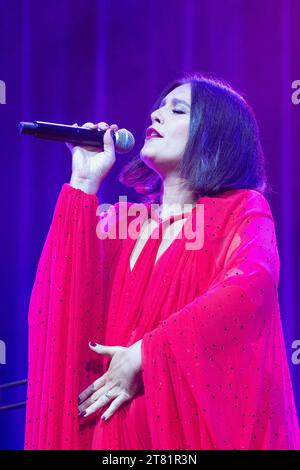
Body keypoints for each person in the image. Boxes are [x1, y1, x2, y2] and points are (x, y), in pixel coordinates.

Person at [25, 73, 300, 450]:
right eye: (159, 107)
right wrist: (83, 183)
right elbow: (62, 308)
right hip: (111, 437)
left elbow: (249, 288)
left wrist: (145, 353)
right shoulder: (119, 223)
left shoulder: (242, 211)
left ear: (214, 132)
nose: (156, 114)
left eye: (177, 109)